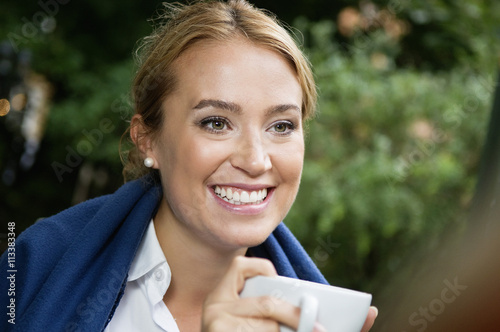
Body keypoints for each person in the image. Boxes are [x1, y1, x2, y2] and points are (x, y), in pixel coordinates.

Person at [0, 1, 377, 331]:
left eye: (281, 126)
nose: (255, 160)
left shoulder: (322, 318)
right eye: (216, 122)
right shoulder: (32, 267)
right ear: (147, 138)